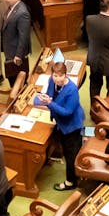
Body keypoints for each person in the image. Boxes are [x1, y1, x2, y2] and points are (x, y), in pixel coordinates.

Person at [35, 61, 84, 191]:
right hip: (60, 122)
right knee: (66, 147)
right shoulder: (52, 81)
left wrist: (49, 103)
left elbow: (67, 112)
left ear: (65, 75)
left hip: (72, 125)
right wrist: (45, 98)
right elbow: (50, 93)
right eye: (54, 76)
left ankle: (71, 182)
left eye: (60, 76)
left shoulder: (72, 90)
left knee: (71, 153)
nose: (57, 79)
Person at [1, 0, 32, 87]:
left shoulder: (22, 13)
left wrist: (18, 55)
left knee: (17, 80)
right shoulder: (12, 7)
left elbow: (23, 37)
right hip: (9, 48)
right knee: (11, 77)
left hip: (16, 53)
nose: (4, 0)